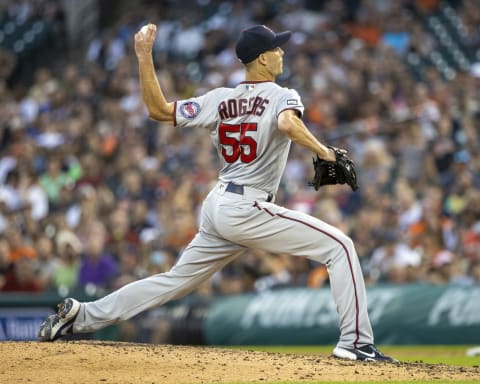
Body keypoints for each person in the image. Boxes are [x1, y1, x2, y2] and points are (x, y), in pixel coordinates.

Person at [38, 24, 396, 363]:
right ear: (262, 59)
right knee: (340, 246)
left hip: (218, 204)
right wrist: (326, 152)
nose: (282, 52)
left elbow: (158, 110)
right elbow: (287, 122)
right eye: (276, 48)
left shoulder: (219, 99)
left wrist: (144, 56)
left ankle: (81, 315)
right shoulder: (283, 95)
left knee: (173, 281)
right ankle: (356, 343)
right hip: (246, 206)